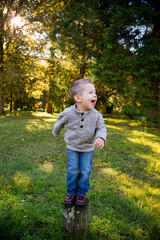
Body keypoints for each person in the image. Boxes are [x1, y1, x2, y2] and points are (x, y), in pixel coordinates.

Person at [52, 78, 106, 206]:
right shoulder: (69, 113)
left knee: (85, 170)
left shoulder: (96, 115)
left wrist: (101, 137)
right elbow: (60, 121)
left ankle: (81, 193)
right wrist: (56, 131)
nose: (95, 95)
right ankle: (71, 192)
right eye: (91, 92)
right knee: (72, 169)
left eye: (95, 93)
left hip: (88, 148)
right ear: (78, 98)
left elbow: (101, 127)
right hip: (72, 146)